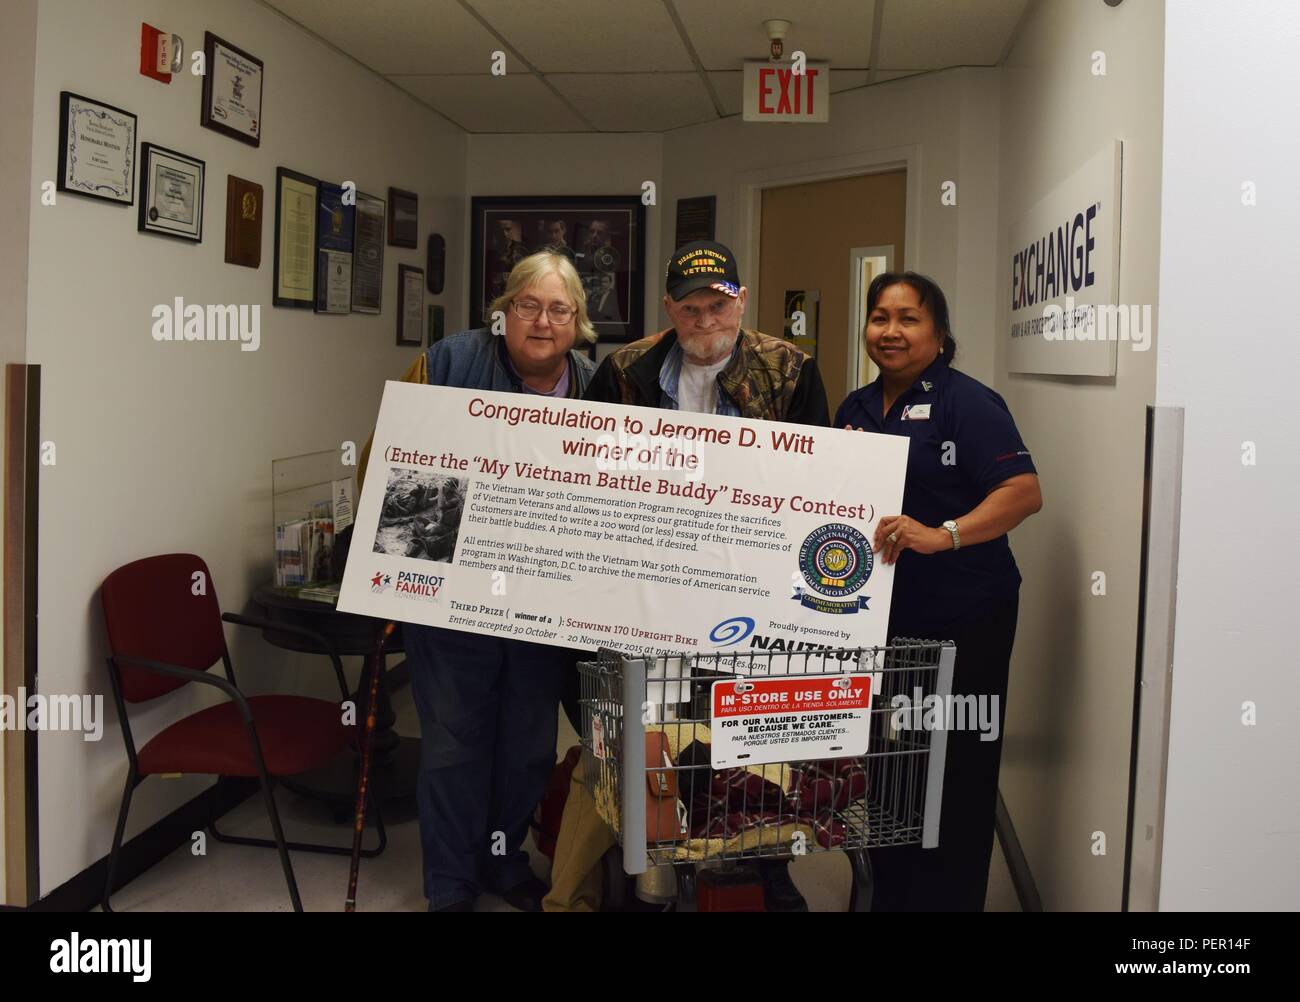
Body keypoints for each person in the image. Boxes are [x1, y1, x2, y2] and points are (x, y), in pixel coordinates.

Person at [544, 240, 830, 912]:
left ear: (742, 300)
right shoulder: (625, 368)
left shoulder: (790, 369)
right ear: (670, 307)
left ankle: (762, 871)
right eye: (692, 307)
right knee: (628, 737)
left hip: (750, 589)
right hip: (647, 587)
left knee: (751, 736)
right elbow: (584, 465)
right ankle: (626, 884)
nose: (707, 321)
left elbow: (822, 477)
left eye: (720, 305)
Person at [357, 251, 597, 911]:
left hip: (544, 599)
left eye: (558, 309)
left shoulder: (601, 385)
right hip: (454, 595)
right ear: (504, 312)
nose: (541, 322)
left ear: (578, 322)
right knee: (455, 743)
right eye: (527, 305)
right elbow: (387, 465)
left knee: (527, 744)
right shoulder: (447, 363)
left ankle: (501, 859)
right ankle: (451, 883)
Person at [835, 271, 1042, 911]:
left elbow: (1023, 494)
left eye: (908, 318)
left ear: (940, 334)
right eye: (879, 317)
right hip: (889, 621)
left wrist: (942, 534)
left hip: (965, 617)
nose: (890, 331)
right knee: (897, 771)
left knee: (956, 774)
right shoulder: (856, 408)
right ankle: (892, 897)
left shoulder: (967, 403)